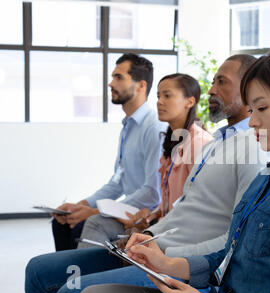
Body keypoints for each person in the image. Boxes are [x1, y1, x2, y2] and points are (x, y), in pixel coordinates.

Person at [78, 49, 270, 293]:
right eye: (251, 109)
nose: (254, 120)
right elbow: (230, 257)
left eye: (262, 108)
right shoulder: (269, 177)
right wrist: (168, 264)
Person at [25, 54, 270, 293]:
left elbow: (236, 237)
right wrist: (149, 237)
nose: (211, 89)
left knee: (72, 291)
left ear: (249, 87)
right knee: (37, 270)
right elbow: (181, 209)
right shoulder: (217, 142)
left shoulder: (254, 147)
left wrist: (168, 256)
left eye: (221, 82)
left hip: (182, 262)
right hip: (158, 247)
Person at [77, 73, 213, 247]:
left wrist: (151, 230)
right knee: (99, 225)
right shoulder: (170, 139)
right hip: (163, 223)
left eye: (167, 95)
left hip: (179, 233)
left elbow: (192, 207)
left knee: (99, 225)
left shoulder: (199, 143)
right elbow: (168, 202)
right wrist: (151, 215)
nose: (159, 101)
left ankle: (88, 273)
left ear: (190, 102)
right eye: (158, 96)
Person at [50, 53, 165, 251]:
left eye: (119, 77)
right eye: (113, 77)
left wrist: (96, 211)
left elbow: (152, 193)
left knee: (81, 226)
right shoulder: (128, 127)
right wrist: (81, 205)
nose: (111, 83)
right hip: (123, 210)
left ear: (141, 85)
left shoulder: (153, 127)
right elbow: (117, 182)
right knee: (62, 223)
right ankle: (67, 282)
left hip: (142, 216)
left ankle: (81, 281)